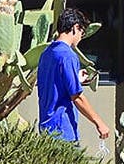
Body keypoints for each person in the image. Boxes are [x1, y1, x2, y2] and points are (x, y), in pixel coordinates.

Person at [37, 8, 111, 145]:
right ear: (75, 28)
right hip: (62, 131)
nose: (80, 38)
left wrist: (76, 79)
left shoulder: (46, 53)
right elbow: (77, 97)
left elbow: (55, 84)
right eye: (81, 33)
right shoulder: (68, 56)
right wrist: (99, 122)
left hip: (46, 127)